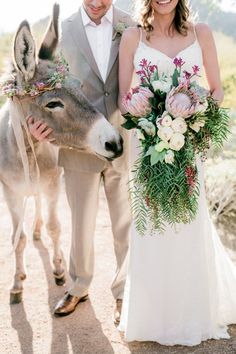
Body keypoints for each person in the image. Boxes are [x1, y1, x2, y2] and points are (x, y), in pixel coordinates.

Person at [118, 0, 236, 346]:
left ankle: (190, 313)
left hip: (187, 146)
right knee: (152, 224)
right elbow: (124, 97)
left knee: (187, 222)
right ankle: (153, 316)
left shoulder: (202, 34)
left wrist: (195, 104)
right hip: (148, 145)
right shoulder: (132, 37)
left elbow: (216, 90)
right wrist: (136, 106)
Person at [28, 0, 134, 322]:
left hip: (124, 140)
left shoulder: (132, 25)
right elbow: (41, 88)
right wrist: (37, 124)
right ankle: (78, 287)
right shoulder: (61, 30)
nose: (98, 3)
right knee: (81, 224)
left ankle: (124, 293)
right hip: (77, 147)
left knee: (125, 225)